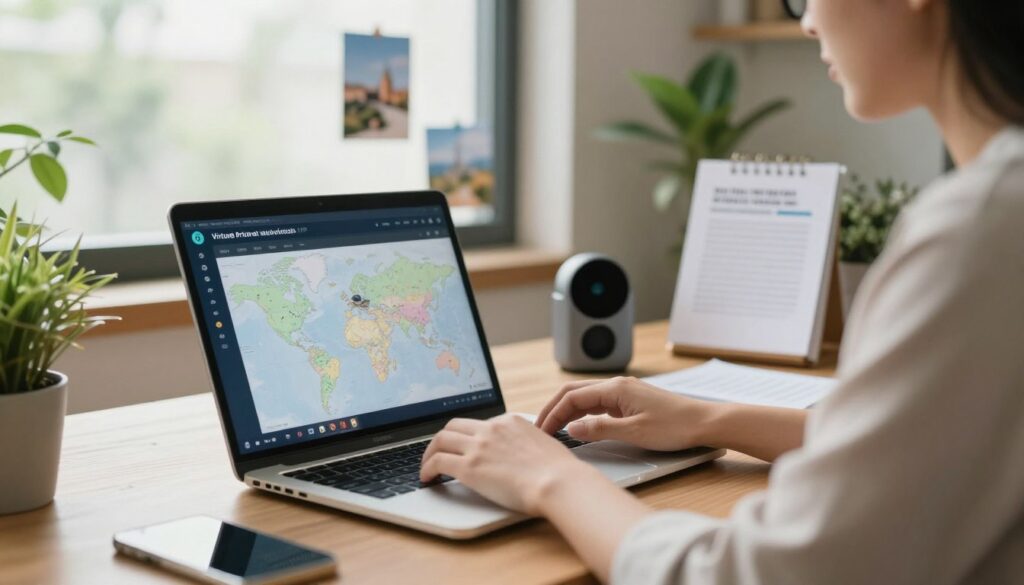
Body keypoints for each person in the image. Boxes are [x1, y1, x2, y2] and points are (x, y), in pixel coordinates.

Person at [420, 0, 1024, 582]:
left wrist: (550, 477)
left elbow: (759, 576)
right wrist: (711, 418)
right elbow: (920, 446)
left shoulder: (980, 235)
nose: (809, 21)